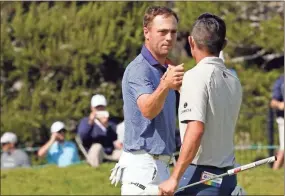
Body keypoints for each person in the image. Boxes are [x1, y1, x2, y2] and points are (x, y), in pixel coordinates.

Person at [159, 13, 243, 196]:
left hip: (200, 179)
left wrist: (174, 177)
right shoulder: (234, 80)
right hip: (227, 178)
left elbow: (196, 129)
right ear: (223, 44)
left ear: (191, 42)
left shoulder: (195, 77)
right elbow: (214, 108)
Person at [109, 6, 184, 195]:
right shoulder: (138, 69)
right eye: (163, 32)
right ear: (147, 32)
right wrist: (165, 85)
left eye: (173, 32)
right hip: (142, 167)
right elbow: (148, 110)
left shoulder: (166, 68)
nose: (169, 37)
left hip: (162, 165)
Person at [77, 94, 122, 167]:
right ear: (92, 108)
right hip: (95, 152)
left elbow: (114, 138)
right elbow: (83, 137)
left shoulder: (110, 123)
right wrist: (90, 123)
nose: (100, 109)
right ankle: (94, 168)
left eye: (102, 107)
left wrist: (106, 126)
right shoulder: (85, 121)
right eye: (97, 107)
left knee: (124, 153)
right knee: (97, 146)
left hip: (110, 153)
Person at [270, 74, 284, 170]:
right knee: (283, 148)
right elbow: (273, 102)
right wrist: (280, 105)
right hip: (283, 119)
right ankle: (275, 169)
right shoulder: (281, 82)